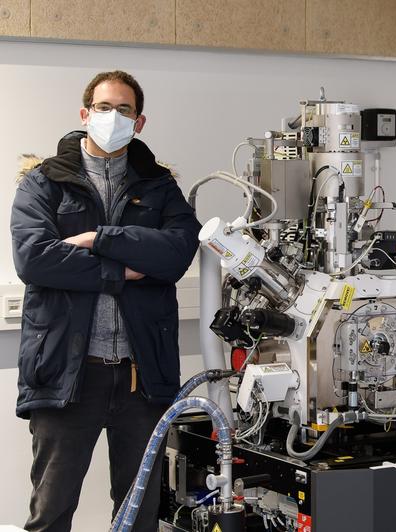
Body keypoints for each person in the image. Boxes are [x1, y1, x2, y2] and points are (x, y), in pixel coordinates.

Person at [11, 70, 201, 531]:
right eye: (103, 107)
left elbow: (176, 251)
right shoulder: (44, 182)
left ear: (139, 123)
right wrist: (122, 269)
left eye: (124, 110)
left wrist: (99, 237)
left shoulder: (159, 186)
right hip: (68, 373)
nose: (112, 116)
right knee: (52, 511)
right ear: (84, 113)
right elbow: (34, 258)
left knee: (138, 515)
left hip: (141, 378)